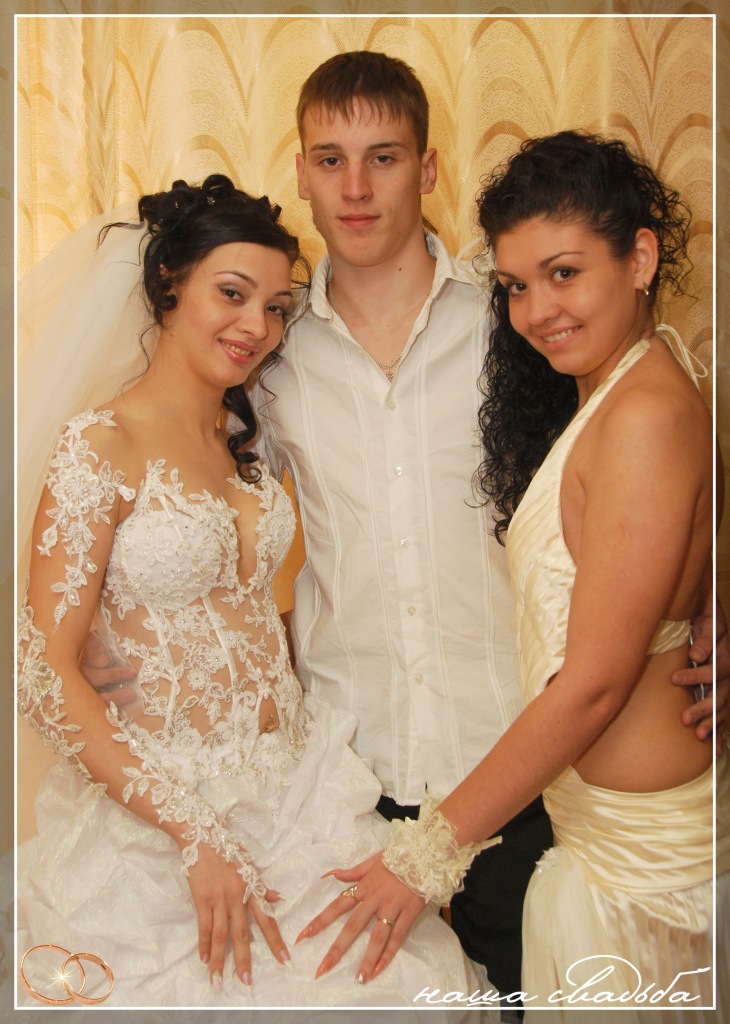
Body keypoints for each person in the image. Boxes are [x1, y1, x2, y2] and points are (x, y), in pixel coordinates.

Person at [247, 52, 724, 1003]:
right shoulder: (263, 347)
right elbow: (191, 503)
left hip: (526, 760)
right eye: (330, 159)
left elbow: (656, 472)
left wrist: (708, 599)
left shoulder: (518, 317)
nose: (355, 187)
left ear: (428, 168)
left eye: (384, 157)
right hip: (349, 766)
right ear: (299, 172)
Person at [15, 173, 489, 1011]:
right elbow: (42, 671)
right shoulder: (101, 445)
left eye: (275, 307)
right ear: (170, 286)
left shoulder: (245, 442)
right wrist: (194, 831)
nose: (257, 327)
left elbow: (237, 616)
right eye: (231, 294)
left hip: (296, 792)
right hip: (162, 820)